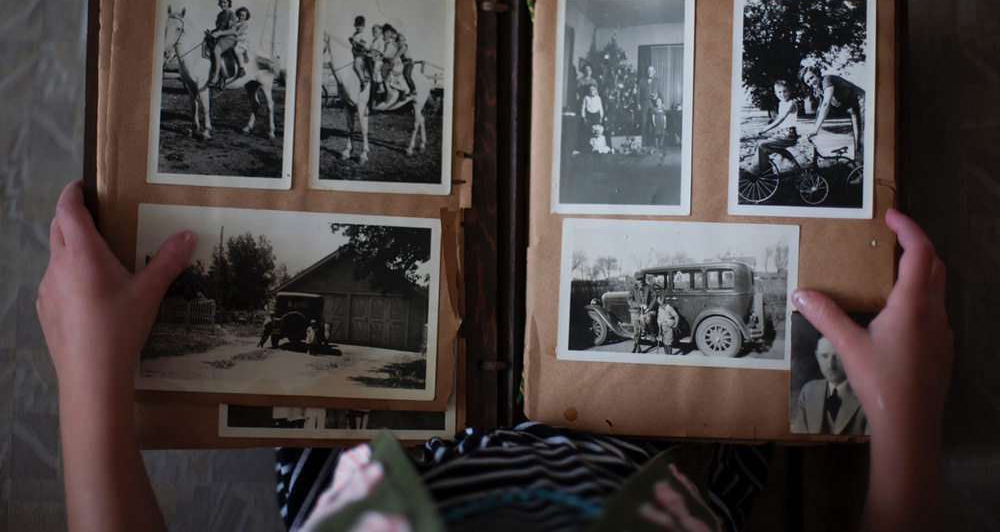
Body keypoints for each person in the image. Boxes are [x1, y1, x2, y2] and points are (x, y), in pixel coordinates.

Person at [37, 180, 952, 531]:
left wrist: (89, 381)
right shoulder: (673, 312)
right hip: (653, 435)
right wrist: (906, 426)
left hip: (368, 445)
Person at [791, 335, 868, 435]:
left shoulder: (868, 396)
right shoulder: (808, 391)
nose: (831, 365)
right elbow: (799, 438)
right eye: (824, 356)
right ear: (817, 357)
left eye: (838, 356)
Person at [798, 66, 866, 162]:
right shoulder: (819, 90)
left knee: (863, 137)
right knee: (857, 140)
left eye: (811, 77)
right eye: (807, 82)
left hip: (863, 102)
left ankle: (864, 170)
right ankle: (860, 170)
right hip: (854, 110)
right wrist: (813, 129)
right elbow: (820, 109)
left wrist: (816, 129)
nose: (811, 82)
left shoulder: (827, 80)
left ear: (817, 74)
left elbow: (826, 104)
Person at [750, 80, 801, 175]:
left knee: (762, 145)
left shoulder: (791, 103)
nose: (782, 94)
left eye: (785, 91)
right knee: (758, 146)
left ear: (790, 91)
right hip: (781, 134)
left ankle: (754, 172)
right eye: (779, 92)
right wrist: (766, 125)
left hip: (788, 136)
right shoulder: (781, 104)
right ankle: (767, 172)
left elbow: (781, 118)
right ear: (776, 94)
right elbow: (778, 118)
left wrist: (764, 130)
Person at [206, 0, 238, 86]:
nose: (222, 4)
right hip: (220, 37)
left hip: (229, 38)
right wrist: (211, 32)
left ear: (228, 3)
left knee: (216, 51)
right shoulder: (219, 15)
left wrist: (219, 33)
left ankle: (216, 76)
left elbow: (233, 30)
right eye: (221, 2)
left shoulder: (232, 14)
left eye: (225, 2)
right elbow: (218, 28)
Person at [348, 15, 370, 85]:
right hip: (355, 52)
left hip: (360, 53)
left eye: (361, 26)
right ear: (355, 25)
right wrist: (351, 41)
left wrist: (356, 41)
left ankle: (363, 80)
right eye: (358, 25)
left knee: (356, 66)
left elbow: (364, 44)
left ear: (364, 26)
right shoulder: (355, 34)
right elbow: (354, 43)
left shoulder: (362, 35)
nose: (359, 27)